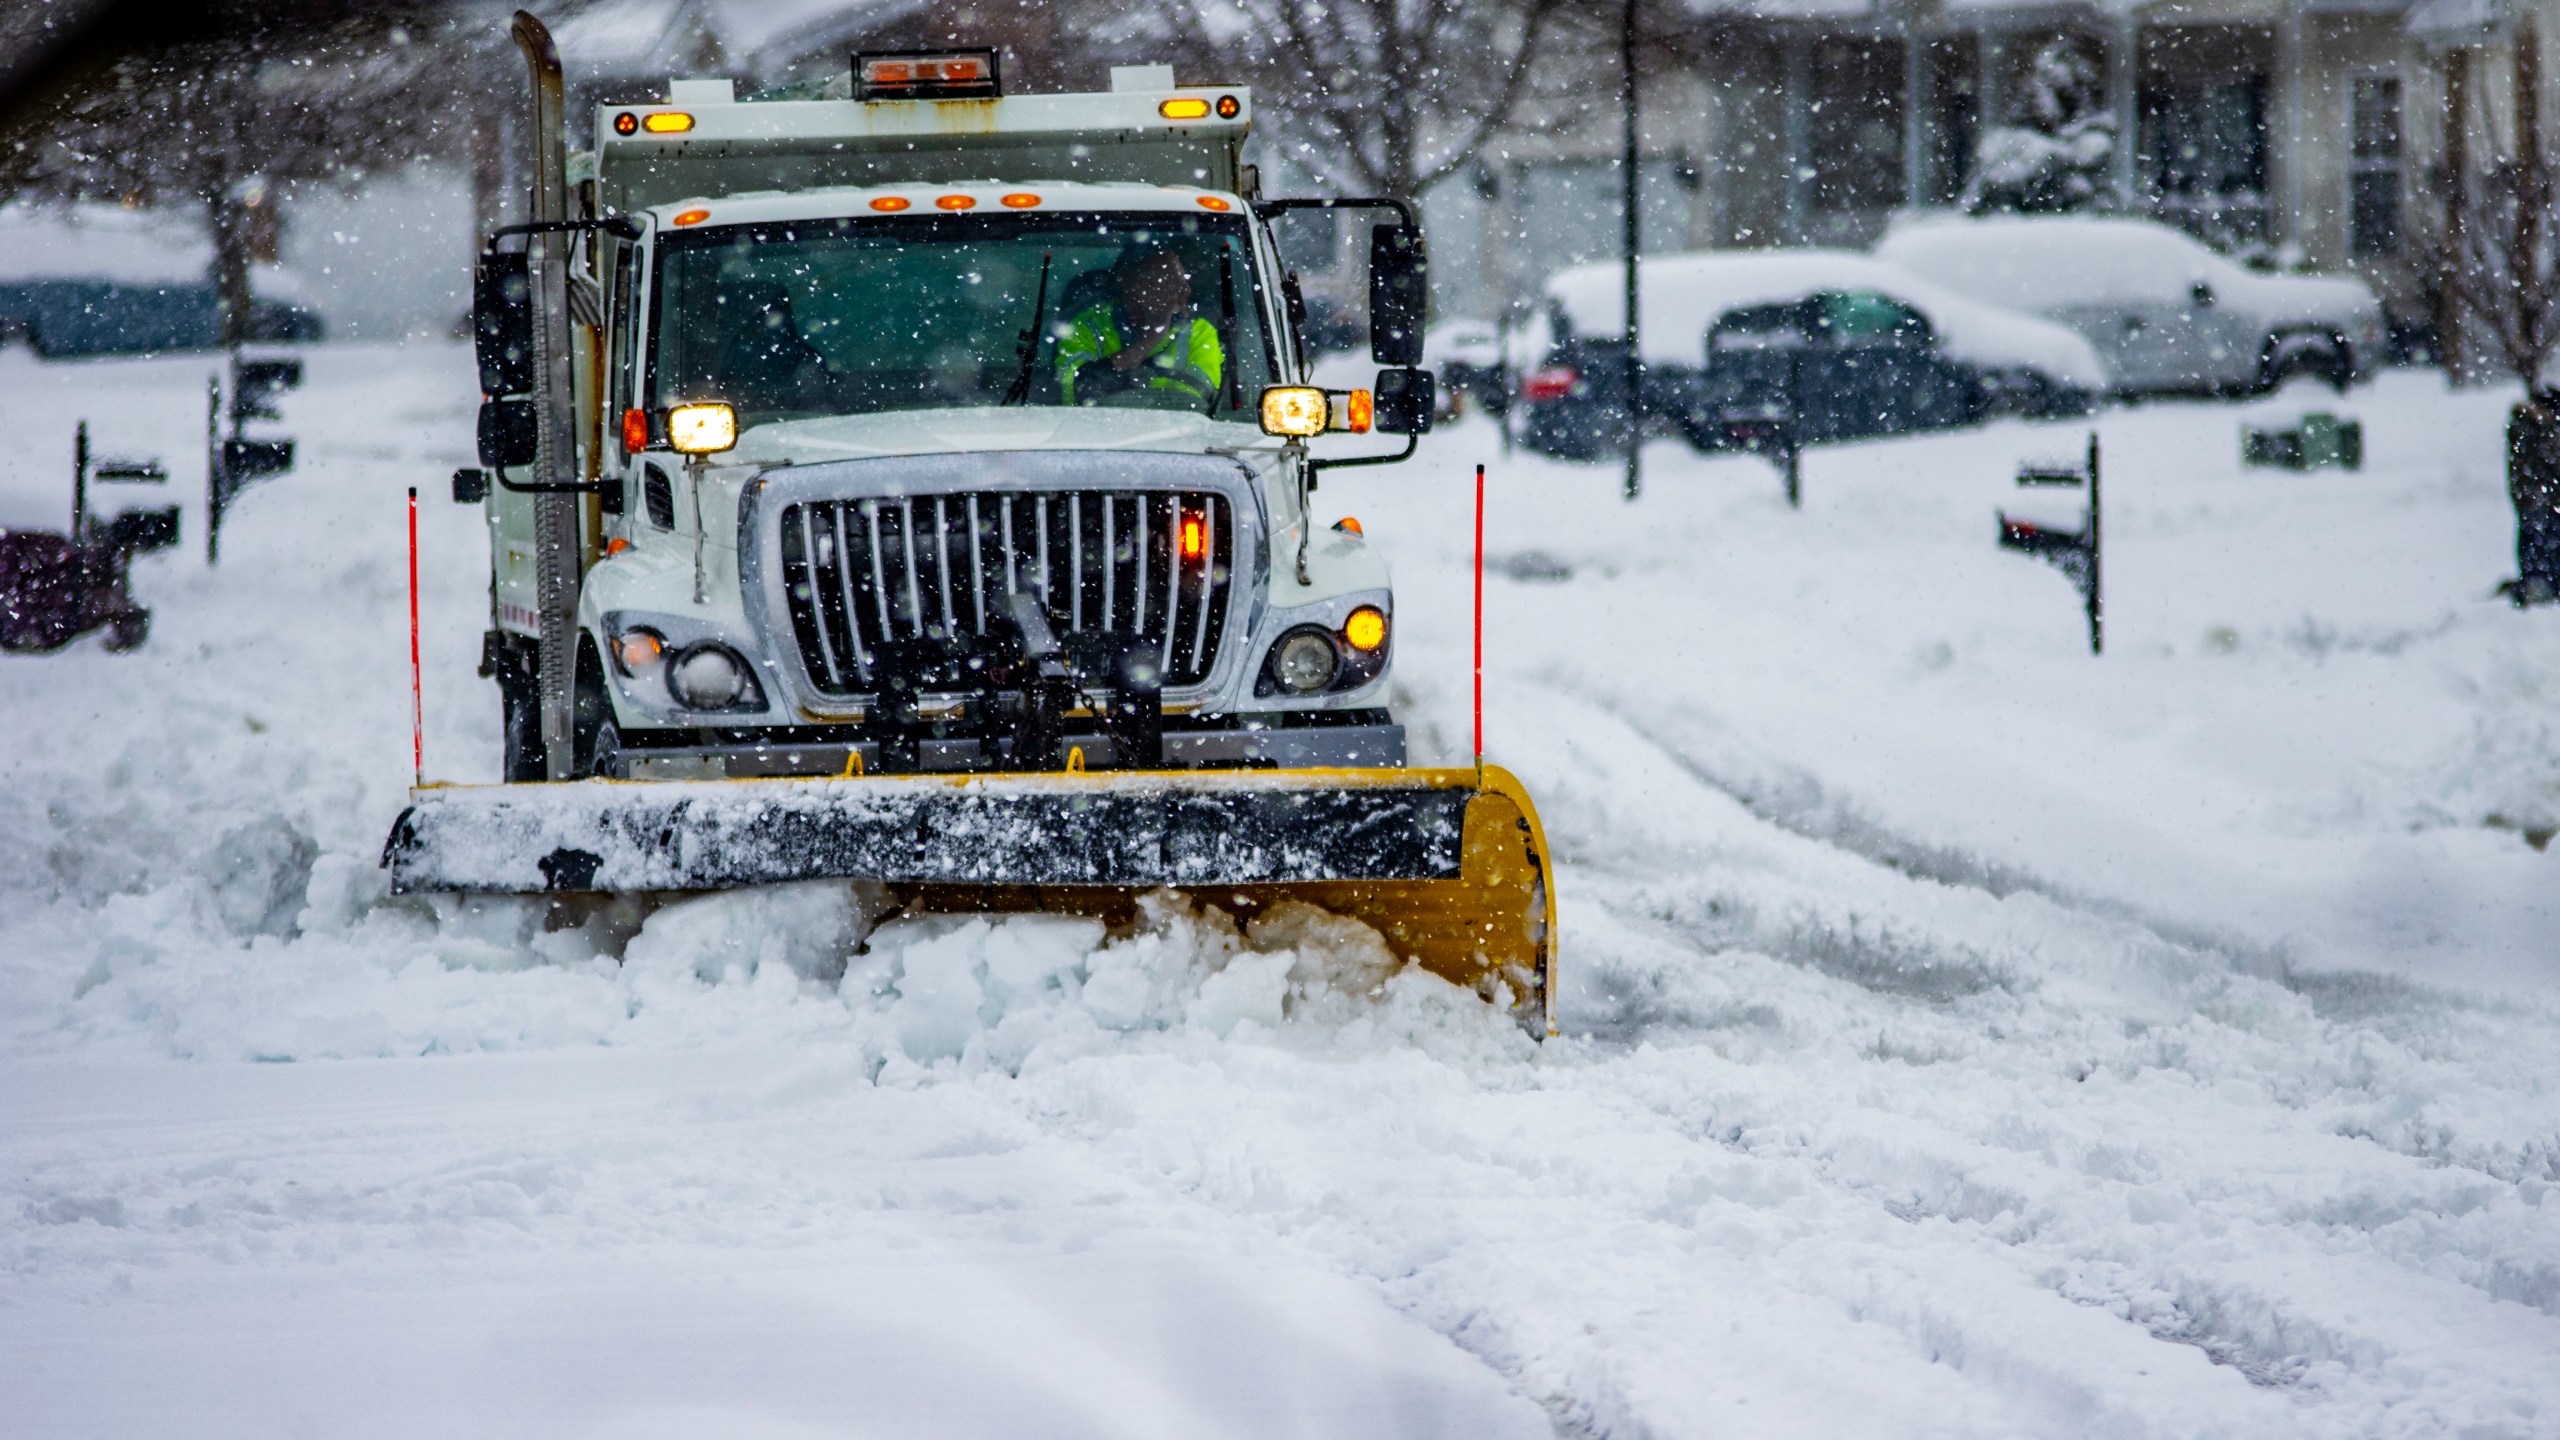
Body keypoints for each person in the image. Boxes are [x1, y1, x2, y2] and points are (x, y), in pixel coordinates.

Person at [1054, 247, 1224, 409]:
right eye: (1168, 283)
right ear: (1131, 287)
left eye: (1183, 282)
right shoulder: (1086, 327)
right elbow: (1072, 395)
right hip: (1086, 433)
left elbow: (1195, 406)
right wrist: (1147, 342)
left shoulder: (1199, 333)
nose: (1184, 291)